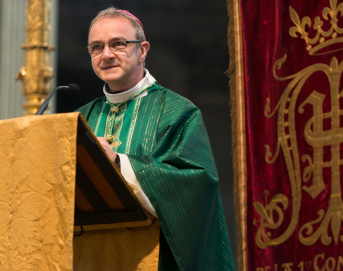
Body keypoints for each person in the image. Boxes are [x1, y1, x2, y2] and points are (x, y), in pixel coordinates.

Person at [73, 6, 235, 271]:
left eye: (118, 44)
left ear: (143, 50)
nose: (106, 55)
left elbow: (198, 185)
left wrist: (118, 162)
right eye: (96, 47)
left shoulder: (176, 110)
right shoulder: (81, 117)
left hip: (155, 259)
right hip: (90, 258)